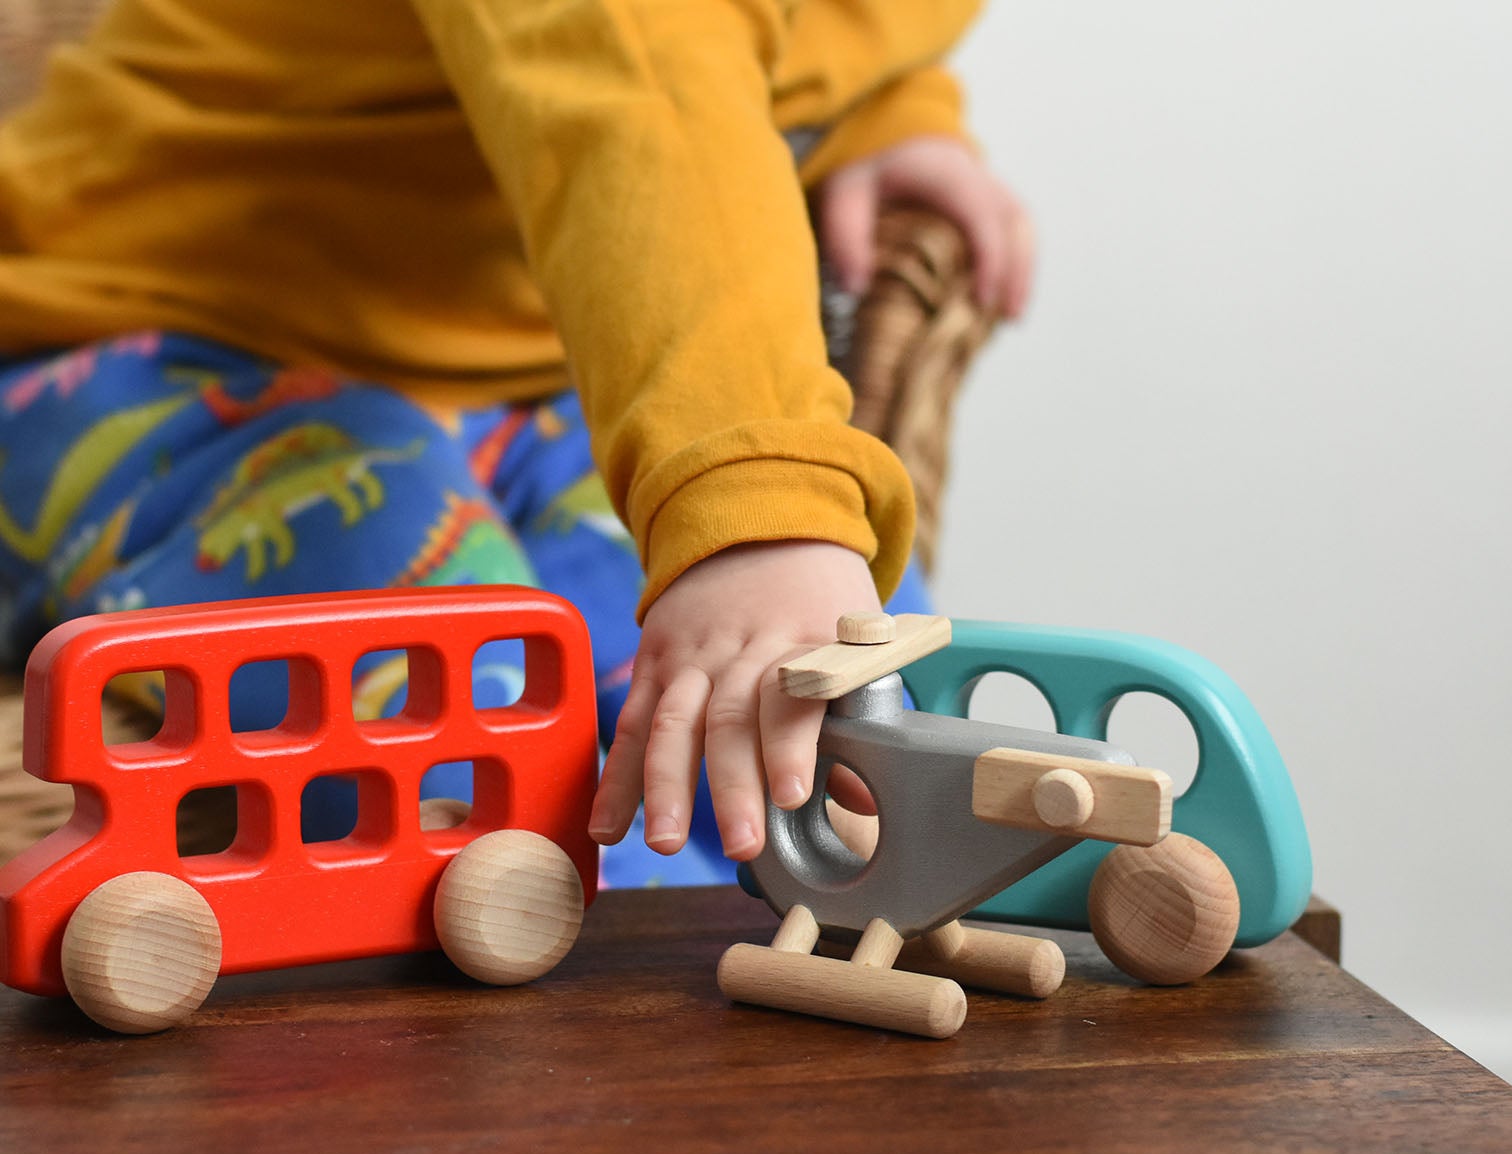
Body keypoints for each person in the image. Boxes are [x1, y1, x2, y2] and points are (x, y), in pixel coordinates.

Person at [0, 0, 1031, 883]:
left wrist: (891, 115)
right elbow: (630, 80)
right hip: (137, 345)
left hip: (530, 380)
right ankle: (587, 1014)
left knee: (830, 683)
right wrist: (753, 501)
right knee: (461, 679)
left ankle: (836, 925)